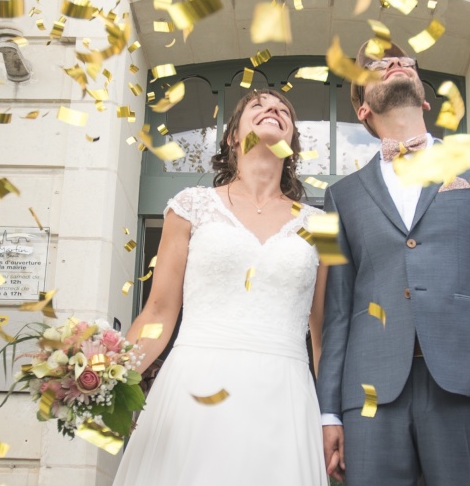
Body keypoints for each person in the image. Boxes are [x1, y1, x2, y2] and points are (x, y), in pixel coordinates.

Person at [317, 42, 470, 486]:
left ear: (423, 97)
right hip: (369, 394)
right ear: (362, 109)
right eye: (376, 65)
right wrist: (328, 412)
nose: (395, 63)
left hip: (467, 383)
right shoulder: (337, 197)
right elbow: (336, 315)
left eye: (404, 61)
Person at [113, 89, 328, 486]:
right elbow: (159, 311)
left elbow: (323, 333)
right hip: (195, 386)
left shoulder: (322, 226)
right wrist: (109, 381)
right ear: (232, 137)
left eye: (283, 110)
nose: (273, 110)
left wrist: (334, 416)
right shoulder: (190, 206)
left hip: (284, 396)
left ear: (292, 141)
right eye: (258, 106)